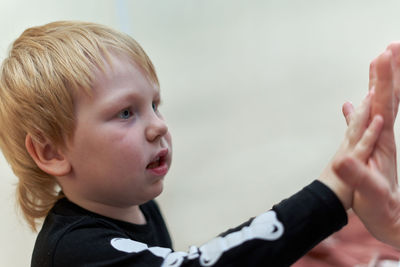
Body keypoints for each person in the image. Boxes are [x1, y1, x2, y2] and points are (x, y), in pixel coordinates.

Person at [0, 21, 397, 267]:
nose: (158, 126)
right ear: (52, 152)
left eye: (155, 104)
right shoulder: (75, 251)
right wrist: (332, 192)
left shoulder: (132, 204)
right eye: (125, 113)